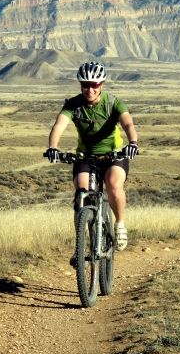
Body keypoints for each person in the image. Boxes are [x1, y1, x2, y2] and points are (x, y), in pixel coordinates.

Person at [45, 61, 138, 257]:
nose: (89, 89)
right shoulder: (73, 104)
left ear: (101, 85)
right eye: (85, 85)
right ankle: (81, 246)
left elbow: (128, 123)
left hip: (114, 155)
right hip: (85, 157)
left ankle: (119, 224)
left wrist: (133, 143)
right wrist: (53, 147)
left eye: (94, 85)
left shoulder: (113, 103)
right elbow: (59, 126)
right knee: (82, 193)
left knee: (113, 185)